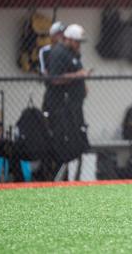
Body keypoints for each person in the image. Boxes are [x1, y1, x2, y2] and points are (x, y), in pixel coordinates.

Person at [45, 24, 91, 178]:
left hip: (74, 108)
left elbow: (78, 72)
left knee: (78, 144)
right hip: (61, 109)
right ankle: (58, 179)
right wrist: (78, 76)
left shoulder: (73, 54)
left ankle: (73, 179)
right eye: (76, 41)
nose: (79, 45)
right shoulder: (59, 53)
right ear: (69, 39)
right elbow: (55, 79)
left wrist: (83, 83)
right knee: (62, 145)